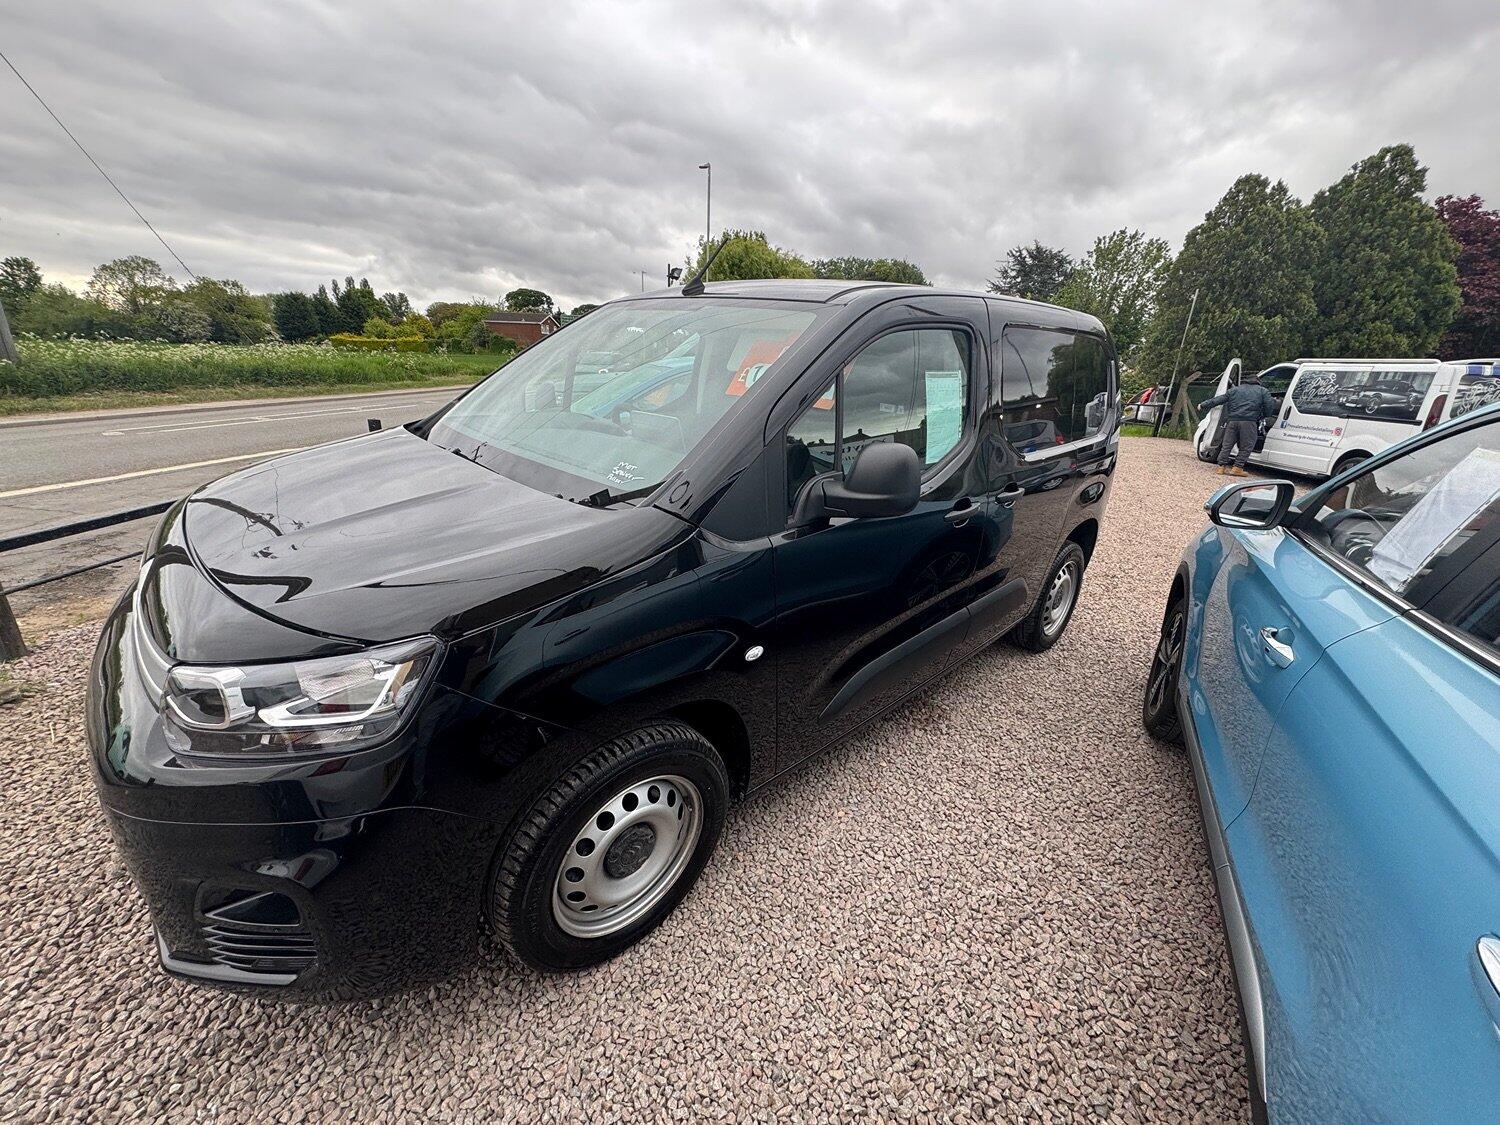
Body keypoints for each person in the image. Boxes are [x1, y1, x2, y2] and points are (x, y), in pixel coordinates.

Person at [1200, 372, 1277, 476]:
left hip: (1232, 421)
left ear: (1245, 381)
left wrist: (1203, 405)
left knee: (1227, 445)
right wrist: (1264, 416)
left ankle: (1221, 467)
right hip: (1249, 422)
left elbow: (1219, 399)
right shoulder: (1263, 391)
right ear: (1258, 382)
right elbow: (1269, 406)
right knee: (1247, 446)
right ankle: (1237, 468)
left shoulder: (1234, 390)